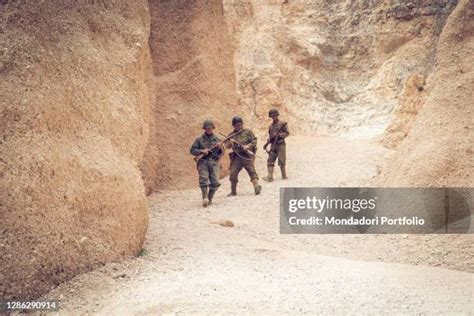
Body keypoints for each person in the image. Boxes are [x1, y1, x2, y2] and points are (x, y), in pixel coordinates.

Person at [190, 120, 224, 207]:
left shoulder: (218, 140)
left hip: (214, 162)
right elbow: (192, 150)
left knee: (215, 182)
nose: (209, 129)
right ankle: (205, 197)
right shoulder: (199, 139)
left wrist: (220, 147)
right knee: (203, 179)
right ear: (204, 129)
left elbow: (222, 153)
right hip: (203, 162)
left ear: (213, 128)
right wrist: (202, 151)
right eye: (207, 128)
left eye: (210, 128)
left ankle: (209, 198)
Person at [225, 116, 262, 196]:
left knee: (252, 171)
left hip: (247, 156)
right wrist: (230, 142)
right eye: (237, 125)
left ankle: (256, 187)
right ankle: (233, 191)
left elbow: (254, 140)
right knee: (233, 173)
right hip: (237, 157)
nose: (239, 126)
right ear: (234, 126)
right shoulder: (231, 135)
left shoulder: (248, 132)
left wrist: (248, 146)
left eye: (240, 124)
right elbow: (227, 146)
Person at [263, 108, 289, 181]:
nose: (274, 117)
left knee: (282, 160)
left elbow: (287, 133)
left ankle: (284, 175)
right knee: (270, 160)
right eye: (272, 116)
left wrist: (279, 135)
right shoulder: (270, 126)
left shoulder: (282, 124)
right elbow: (270, 136)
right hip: (273, 145)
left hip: (281, 144)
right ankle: (270, 176)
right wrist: (268, 142)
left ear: (277, 115)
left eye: (275, 116)